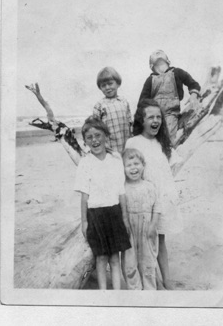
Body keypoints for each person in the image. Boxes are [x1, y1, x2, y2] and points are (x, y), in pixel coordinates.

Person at [125, 99, 181, 290]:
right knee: (145, 241)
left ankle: (166, 279)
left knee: (160, 238)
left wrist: (168, 193)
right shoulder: (133, 142)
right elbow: (129, 170)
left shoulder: (162, 142)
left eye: (158, 117)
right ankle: (153, 278)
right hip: (144, 201)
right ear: (142, 120)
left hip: (163, 198)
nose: (155, 120)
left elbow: (171, 168)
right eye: (151, 117)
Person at [74, 116, 131, 290]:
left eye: (98, 135)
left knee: (114, 257)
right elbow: (84, 196)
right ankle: (103, 295)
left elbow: (121, 191)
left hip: (114, 213)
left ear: (106, 136)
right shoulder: (85, 163)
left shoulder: (115, 160)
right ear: (85, 141)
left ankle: (116, 294)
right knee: (101, 257)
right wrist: (84, 222)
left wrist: (125, 217)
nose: (95, 140)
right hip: (95, 215)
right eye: (90, 138)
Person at [138, 50, 201, 146]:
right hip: (155, 115)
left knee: (168, 139)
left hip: (170, 113)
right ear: (152, 67)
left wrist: (193, 95)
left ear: (168, 61)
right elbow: (143, 100)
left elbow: (193, 83)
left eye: (162, 63)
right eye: (157, 65)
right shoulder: (150, 80)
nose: (157, 54)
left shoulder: (176, 72)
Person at [121, 148, 161, 290]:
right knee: (130, 263)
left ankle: (150, 291)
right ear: (123, 169)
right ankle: (135, 291)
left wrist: (153, 225)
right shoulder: (122, 189)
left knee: (148, 261)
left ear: (143, 165)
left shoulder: (149, 187)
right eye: (129, 165)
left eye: (136, 163)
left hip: (147, 229)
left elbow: (157, 207)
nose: (133, 168)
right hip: (129, 230)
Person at [93, 66, 132, 154]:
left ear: (117, 83)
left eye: (110, 83)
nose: (107, 87)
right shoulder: (99, 105)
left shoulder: (124, 102)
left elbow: (130, 123)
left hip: (126, 146)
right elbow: (95, 129)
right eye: (103, 85)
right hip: (109, 149)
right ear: (100, 88)